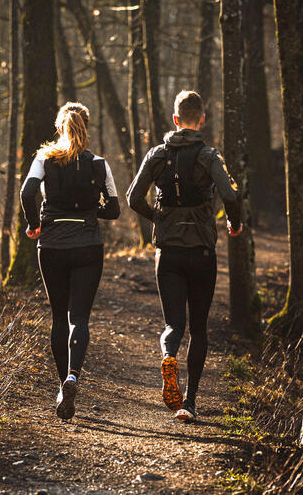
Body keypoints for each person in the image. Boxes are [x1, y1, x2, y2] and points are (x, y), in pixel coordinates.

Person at [126, 90, 242, 422]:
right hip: (202, 252)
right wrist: (234, 223)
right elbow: (231, 195)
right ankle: (189, 404)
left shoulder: (157, 154)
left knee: (173, 323)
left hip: (169, 253)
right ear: (201, 119)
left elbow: (134, 198)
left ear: (175, 119)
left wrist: (158, 218)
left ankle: (168, 355)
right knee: (200, 328)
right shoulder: (209, 156)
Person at [20, 102, 120, 420]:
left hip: (51, 246)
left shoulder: (44, 159)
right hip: (88, 245)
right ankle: (73, 375)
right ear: (86, 127)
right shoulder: (99, 164)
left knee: (58, 318)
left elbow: (27, 193)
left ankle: (63, 388)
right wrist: (91, 212)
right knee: (80, 318)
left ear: (59, 127)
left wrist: (35, 224)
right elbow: (115, 209)